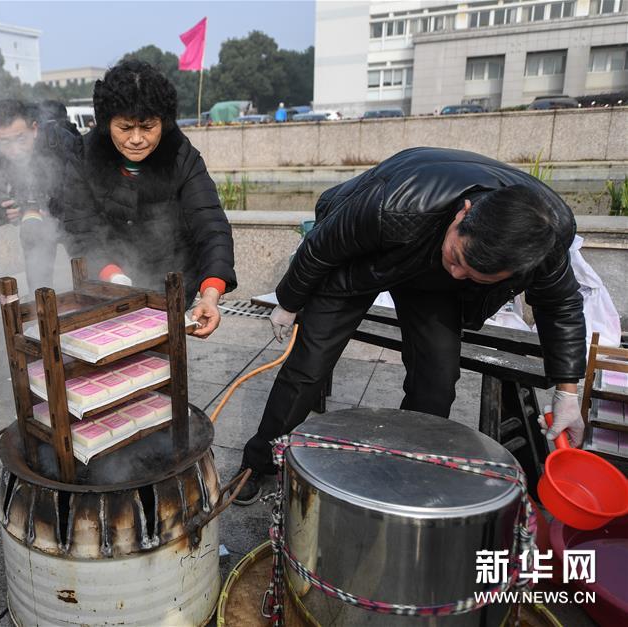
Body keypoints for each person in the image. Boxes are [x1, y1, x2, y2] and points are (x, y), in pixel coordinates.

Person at [234, 147, 587, 505]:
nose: (459, 273)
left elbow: (561, 306)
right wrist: (289, 302)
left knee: (436, 381)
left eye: (475, 276)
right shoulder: (396, 203)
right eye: (458, 258)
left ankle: (408, 468)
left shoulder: (544, 236)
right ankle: (258, 462)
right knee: (308, 367)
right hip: (361, 260)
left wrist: (567, 395)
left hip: (430, 281)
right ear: (463, 215)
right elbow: (321, 246)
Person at [61, 60, 236, 338]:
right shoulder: (84, 157)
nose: (137, 139)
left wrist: (210, 293)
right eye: (125, 127)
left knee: (163, 365)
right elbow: (80, 230)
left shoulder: (181, 155)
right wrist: (114, 278)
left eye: (147, 127)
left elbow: (211, 223)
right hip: (106, 282)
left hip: (171, 281)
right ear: (107, 123)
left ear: (163, 122)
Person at [0, 99, 82, 295]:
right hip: (33, 225)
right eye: (5, 142)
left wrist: (53, 206)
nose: (15, 150)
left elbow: (85, 189)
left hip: (74, 219)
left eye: (21, 139)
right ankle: (42, 320)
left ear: (34, 129)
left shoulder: (59, 141)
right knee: (39, 286)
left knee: (87, 275)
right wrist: (3, 211)